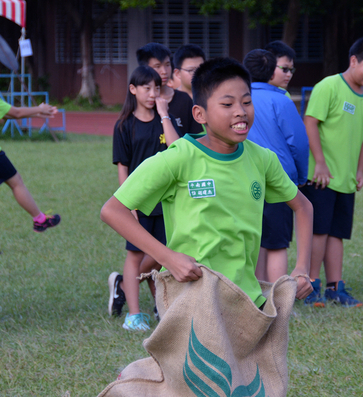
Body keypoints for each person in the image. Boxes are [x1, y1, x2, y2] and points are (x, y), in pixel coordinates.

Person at [100, 57, 312, 328]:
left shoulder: (263, 159)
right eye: (227, 104)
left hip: (245, 297)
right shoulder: (178, 158)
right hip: (189, 295)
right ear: (200, 115)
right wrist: (168, 257)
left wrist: (302, 268)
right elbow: (113, 211)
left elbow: (304, 207)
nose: (240, 111)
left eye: (246, 102)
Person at [301, 37, 363, 307]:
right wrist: (320, 162)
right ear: (353, 61)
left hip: (346, 180)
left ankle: (335, 287)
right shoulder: (329, 86)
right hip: (322, 178)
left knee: (337, 233)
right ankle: (310, 285)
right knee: (319, 232)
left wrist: (360, 171)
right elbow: (310, 122)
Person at [107, 66, 181, 331]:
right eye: (146, 88)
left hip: (166, 201)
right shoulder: (125, 125)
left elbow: (176, 149)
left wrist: (164, 115)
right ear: (133, 90)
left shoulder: (165, 120)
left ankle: (161, 308)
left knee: (162, 255)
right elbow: (122, 167)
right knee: (135, 254)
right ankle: (134, 316)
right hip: (139, 202)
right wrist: (128, 205)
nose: (152, 94)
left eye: (156, 88)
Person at [0, 54, 60, 255]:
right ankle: (39, 219)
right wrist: (40, 108)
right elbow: (15, 113)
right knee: (16, 182)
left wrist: (40, 113)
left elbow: (6, 114)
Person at [242, 49, 309, 287]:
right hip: (277, 180)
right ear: (272, 71)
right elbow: (298, 143)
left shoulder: (239, 100)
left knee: (255, 240)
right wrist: (301, 176)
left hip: (243, 178)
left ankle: (255, 298)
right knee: (277, 243)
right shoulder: (281, 100)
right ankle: (279, 301)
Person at [137, 43, 202, 134]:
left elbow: (195, 138)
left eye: (167, 65)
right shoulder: (140, 102)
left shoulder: (184, 100)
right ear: (145, 69)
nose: (164, 71)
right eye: (157, 66)